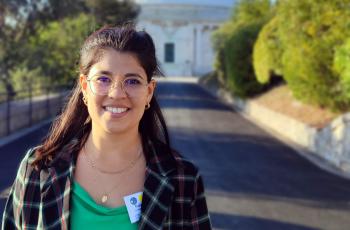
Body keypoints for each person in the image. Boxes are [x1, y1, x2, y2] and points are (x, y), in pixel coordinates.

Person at [2, 25, 212, 230]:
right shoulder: (38, 170)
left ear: (149, 91)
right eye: (103, 79)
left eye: (132, 81)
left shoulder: (183, 179)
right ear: (84, 87)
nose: (116, 94)